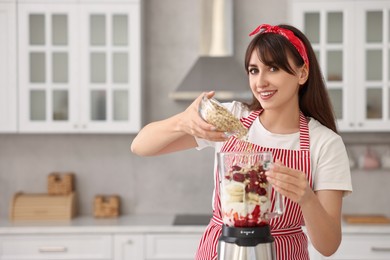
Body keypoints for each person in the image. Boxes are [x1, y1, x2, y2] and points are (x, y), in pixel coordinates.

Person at [131, 23, 352, 260]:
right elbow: (141, 146)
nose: (260, 82)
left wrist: (306, 197)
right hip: (222, 251)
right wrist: (182, 122)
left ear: (302, 73)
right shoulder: (233, 119)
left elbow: (328, 246)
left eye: (273, 68)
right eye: (254, 70)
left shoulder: (324, 143)